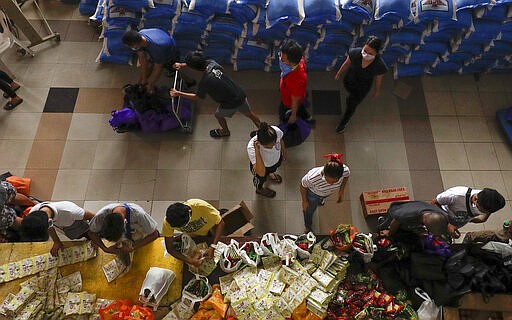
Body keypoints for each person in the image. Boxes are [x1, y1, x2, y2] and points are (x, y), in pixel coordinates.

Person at [170, 51, 261, 138]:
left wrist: (178, 93)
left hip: (230, 103)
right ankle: (262, 130)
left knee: (218, 115)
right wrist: (182, 65)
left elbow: (197, 97)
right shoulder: (212, 63)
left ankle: (225, 131)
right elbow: (201, 63)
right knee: (249, 113)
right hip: (239, 93)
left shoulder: (206, 82)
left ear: (195, 68)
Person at [334, 36, 387, 133]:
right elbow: (346, 64)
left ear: (376, 53)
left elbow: (378, 80)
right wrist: (338, 73)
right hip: (350, 80)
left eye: (370, 53)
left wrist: (377, 91)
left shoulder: (379, 65)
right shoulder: (355, 53)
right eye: (365, 51)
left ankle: (343, 123)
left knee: (351, 106)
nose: (366, 55)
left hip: (362, 88)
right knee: (349, 93)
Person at [163, 199, 225, 266]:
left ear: (189, 214)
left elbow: (220, 223)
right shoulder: (168, 222)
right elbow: (170, 249)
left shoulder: (200, 206)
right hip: (194, 235)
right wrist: (190, 261)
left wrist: (213, 246)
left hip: (211, 230)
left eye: (184, 225)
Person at [20, 201, 95, 256]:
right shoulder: (33, 214)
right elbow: (49, 227)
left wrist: (95, 237)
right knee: (75, 235)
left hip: (76, 224)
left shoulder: (70, 212)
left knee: (85, 232)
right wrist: (56, 241)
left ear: (49, 222)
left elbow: (93, 217)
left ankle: (91, 237)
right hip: (65, 228)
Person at [300, 153, 350, 233]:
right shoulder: (312, 177)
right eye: (328, 181)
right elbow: (303, 187)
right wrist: (304, 201)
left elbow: (346, 177)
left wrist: (341, 190)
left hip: (326, 193)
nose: (331, 184)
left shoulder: (345, 171)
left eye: (335, 181)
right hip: (313, 194)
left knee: (323, 197)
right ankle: (308, 226)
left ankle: (320, 200)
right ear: (324, 174)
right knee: (309, 211)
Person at [432, 186, 506, 239]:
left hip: (453, 225)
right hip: (440, 218)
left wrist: (463, 221)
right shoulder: (456, 195)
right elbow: (434, 203)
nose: (484, 213)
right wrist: (448, 223)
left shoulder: (490, 204)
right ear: (475, 199)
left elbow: (482, 219)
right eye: (482, 211)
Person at [122, 29, 179, 94]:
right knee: (145, 73)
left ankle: (171, 71)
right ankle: (144, 81)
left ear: (136, 44)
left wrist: (150, 83)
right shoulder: (140, 35)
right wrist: (144, 78)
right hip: (157, 45)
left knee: (151, 80)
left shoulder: (157, 48)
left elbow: (158, 68)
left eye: (131, 46)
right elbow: (142, 58)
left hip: (169, 53)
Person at [88, 203, 159, 254]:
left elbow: (155, 234)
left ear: (125, 222)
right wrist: (105, 248)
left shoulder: (139, 215)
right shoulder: (100, 216)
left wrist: (134, 247)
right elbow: (91, 233)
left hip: (141, 239)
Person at [278, 39, 314, 125]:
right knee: (300, 105)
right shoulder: (300, 60)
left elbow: (295, 100)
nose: (280, 60)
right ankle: (308, 117)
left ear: (292, 62)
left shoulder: (296, 80)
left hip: (288, 100)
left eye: (283, 59)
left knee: (286, 111)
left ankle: (303, 118)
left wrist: (293, 115)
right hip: (294, 92)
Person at [247, 122, 286, 198]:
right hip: (261, 168)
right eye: (268, 147)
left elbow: (281, 140)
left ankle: (270, 173)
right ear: (260, 143)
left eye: (274, 143)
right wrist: (257, 151)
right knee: (260, 179)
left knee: (273, 168)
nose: (273, 147)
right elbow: (260, 173)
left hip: (275, 160)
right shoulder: (251, 148)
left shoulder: (276, 131)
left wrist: (284, 151)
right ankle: (259, 189)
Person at [377, 201, 449, 237]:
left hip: (415, 206)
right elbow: (395, 222)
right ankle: (382, 223)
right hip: (396, 211)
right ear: (424, 222)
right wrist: (389, 233)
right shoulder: (407, 216)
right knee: (385, 228)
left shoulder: (439, 214)